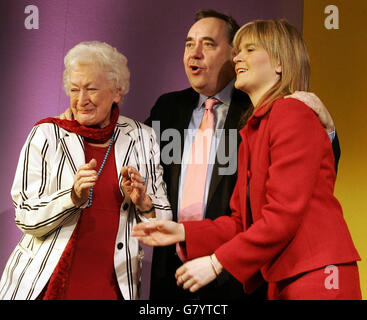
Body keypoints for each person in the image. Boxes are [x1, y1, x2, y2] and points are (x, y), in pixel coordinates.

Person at [132, 19, 361, 300]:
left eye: (250, 49)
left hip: (316, 275)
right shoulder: (255, 125)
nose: (238, 57)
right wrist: (182, 231)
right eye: (238, 50)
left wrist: (217, 262)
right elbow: (243, 222)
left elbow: (282, 216)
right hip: (285, 278)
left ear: (280, 63)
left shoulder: (291, 112)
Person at [0, 41, 172, 300]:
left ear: (117, 92)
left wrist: (145, 203)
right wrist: (72, 197)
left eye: (91, 89)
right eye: (74, 89)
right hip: (46, 283)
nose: (82, 100)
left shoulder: (142, 138)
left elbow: (164, 224)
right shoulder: (47, 134)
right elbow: (25, 217)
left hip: (112, 286)